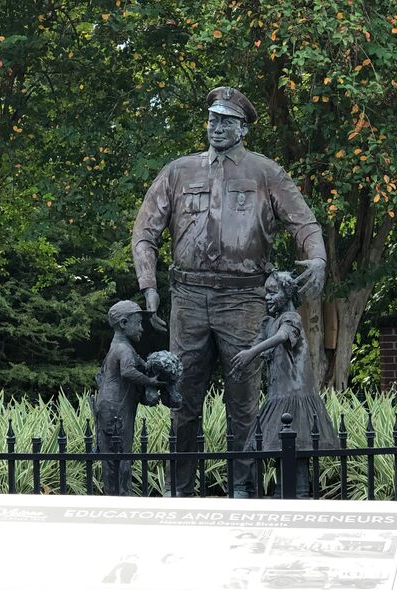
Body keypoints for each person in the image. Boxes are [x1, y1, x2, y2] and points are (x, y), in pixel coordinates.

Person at [132, 86, 327, 497]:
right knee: (182, 397)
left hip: (244, 299)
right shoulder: (178, 172)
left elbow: (305, 223)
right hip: (188, 297)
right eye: (212, 119)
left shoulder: (265, 173)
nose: (216, 127)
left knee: (243, 402)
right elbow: (144, 232)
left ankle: (243, 489)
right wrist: (148, 285)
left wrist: (318, 258)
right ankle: (180, 489)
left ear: (243, 129)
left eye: (226, 121)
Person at [231, 270, 339, 498]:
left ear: (287, 293)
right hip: (278, 396)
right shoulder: (269, 322)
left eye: (273, 292)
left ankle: (296, 494)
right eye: (266, 294)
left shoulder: (292, 318)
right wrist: (243, 361)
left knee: (295, 448)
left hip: (295, 396)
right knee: (281, 446)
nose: (268, 298)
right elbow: (259, 342)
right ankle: (283, 492)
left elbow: (282, 336)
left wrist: (250, 353)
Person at [94, 300, 158, 496]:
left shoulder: (120, 347)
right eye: (137, 322)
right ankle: (121, 496)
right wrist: (151, 382)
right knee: (121, 456)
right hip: (116, 410)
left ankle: (117, 494)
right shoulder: (123, 349)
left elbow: (137, 365)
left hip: (112, 407)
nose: (141, 328)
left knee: (115, 457)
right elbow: (128, 372)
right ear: (123, 323)